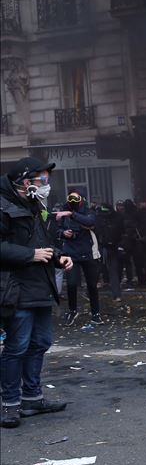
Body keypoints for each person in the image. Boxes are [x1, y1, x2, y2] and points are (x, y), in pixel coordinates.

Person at [1, 157, 74, 428]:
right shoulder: (2, 205)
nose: (46, 184)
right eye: (41, 179)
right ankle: (9, 404)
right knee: (16, 346)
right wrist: (30, 255)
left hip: (41, 286)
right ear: (24, 180)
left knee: (40, 342)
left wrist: (59, 258)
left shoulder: (35, 205)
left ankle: (32, 398)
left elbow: (45, 242)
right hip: (16, 287)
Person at [59, 192, 103, 326]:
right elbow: (57, 230)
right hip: (70, 253)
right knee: (71, 284)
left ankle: (96, 313)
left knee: (92, 285)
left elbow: (90, 222)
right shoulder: (63, 212)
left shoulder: (88, 211)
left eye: (76, 199)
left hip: (87, 253)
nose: (73, 203)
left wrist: (72, 215)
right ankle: (72, 311)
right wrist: (63, 233)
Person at [95, 201, 123, 302]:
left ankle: (91, 292)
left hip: (103, 247)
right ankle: (117, 295)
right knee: (113, 272)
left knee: (97, 270)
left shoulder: (100, 218)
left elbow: (96, 231)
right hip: (112, 247)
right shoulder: (117, 218)